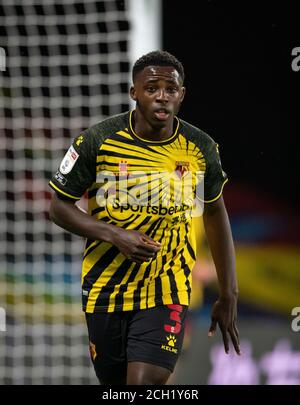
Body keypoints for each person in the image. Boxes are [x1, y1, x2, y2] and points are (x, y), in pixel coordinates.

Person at [49, 50, 240, 385]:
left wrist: (229, 294)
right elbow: (59, 207)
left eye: (171, 88)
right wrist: (115, 235)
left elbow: (214, 210)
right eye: (152, 88)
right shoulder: (97, 141)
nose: (162, 96)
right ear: (134, 92)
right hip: (104, 290)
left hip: (167, 290)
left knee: (142, 385)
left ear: (181, 94)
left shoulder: (200, 148)